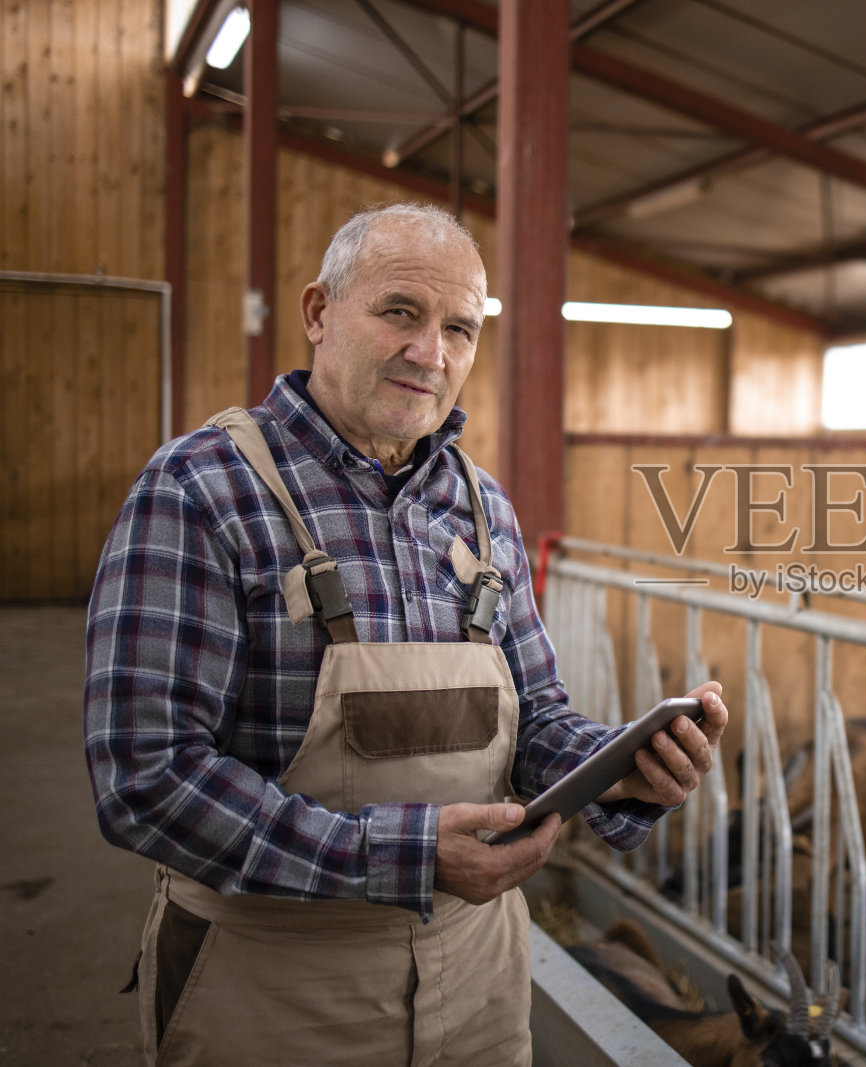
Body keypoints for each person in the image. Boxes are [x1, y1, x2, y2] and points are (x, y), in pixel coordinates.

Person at [84, 201, 728, 1066]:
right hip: (272, 987)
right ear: (319, 312)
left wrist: (624, 771)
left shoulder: (481, 506)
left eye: (460, 328)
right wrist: (397, 854)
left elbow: (537, 720)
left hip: (480, 979)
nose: (433, 353)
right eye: (401, 313)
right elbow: (144, 774)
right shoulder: (202, 489)